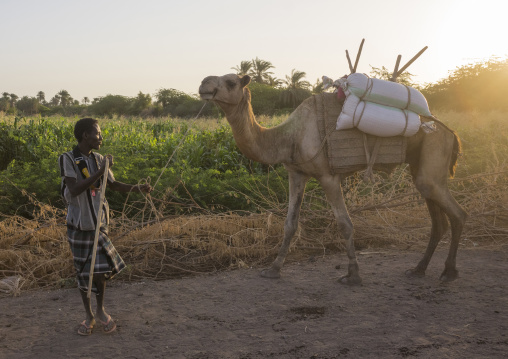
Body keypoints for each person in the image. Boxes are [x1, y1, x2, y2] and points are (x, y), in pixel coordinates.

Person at [58, 118, 152, 336]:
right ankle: (89, 315)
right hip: (80, 225)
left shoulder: (100, 159)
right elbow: (74, 189)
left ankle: (100, 311)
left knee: (99, 271)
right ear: (85, 136)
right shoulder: (68, 159)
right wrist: (100, 171)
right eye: (98, 134)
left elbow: (114, 185)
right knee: (84, 273)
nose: (101, 138)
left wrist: (139, 188)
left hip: (99, 224)